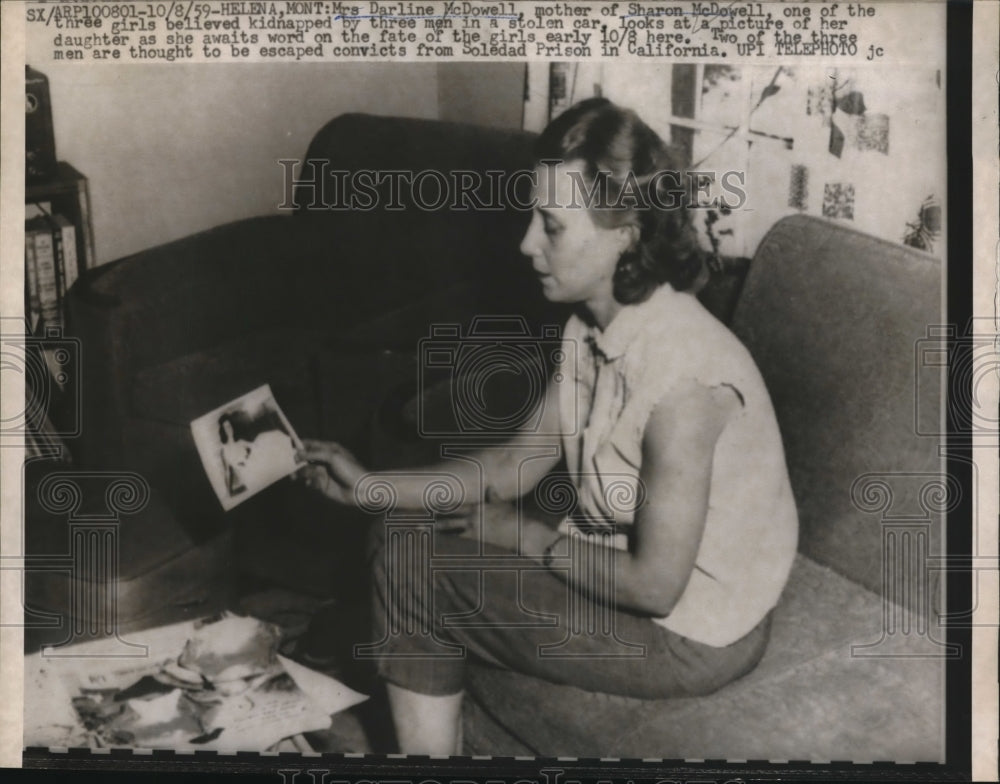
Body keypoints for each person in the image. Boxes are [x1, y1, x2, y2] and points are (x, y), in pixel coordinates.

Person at [297, 98, 799, 755]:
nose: (526, 243)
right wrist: (369, 487)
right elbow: (515, 463)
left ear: (626, 233)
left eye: (552, 226)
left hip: (694, 632)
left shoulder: (685, 385)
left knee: (411, 569)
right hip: (623, 562)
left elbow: (655, 586)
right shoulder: (589, 325)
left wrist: (524, 537)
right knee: (395, 526)